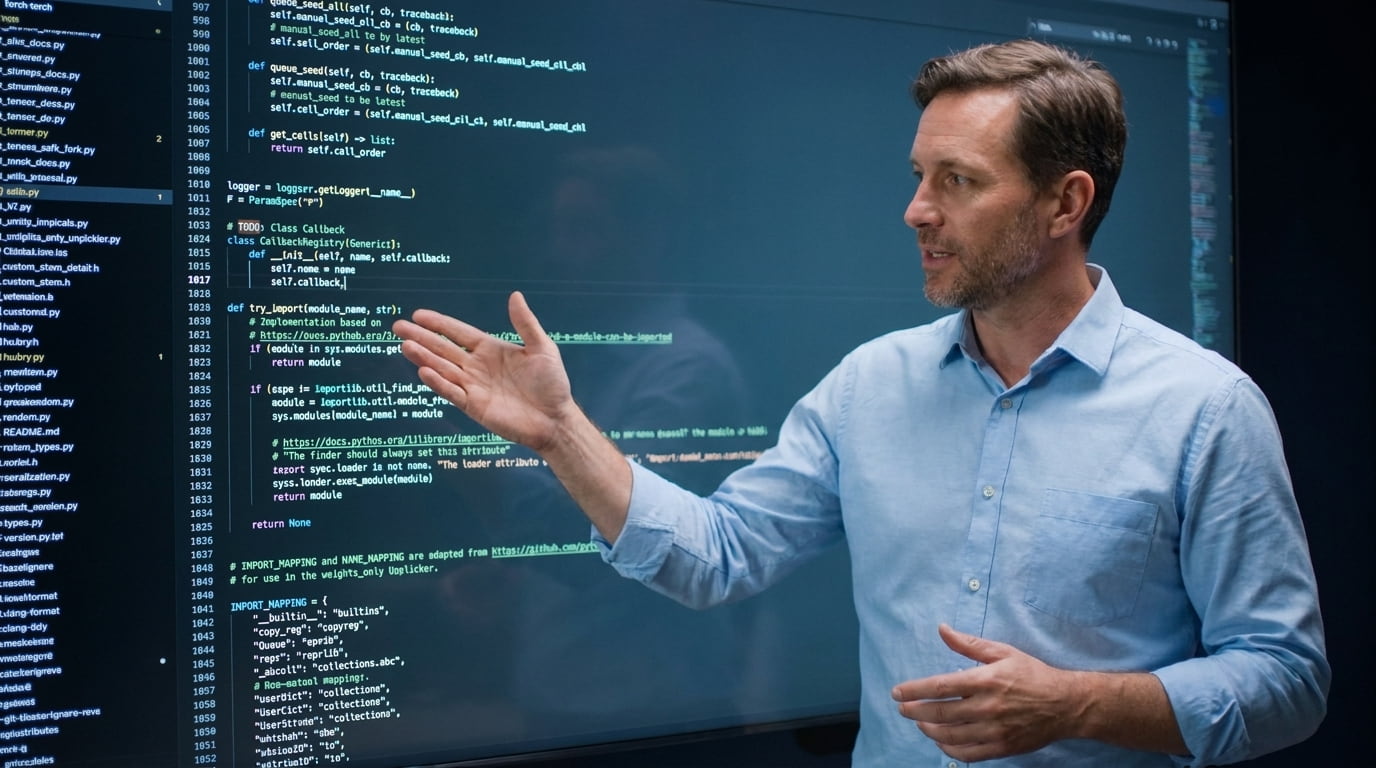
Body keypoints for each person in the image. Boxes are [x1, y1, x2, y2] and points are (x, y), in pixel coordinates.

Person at [392, 39, 1329, 767]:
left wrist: (1080, 704)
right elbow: (717, 554)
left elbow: (1286, 680)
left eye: (958, 180)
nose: (917, 210)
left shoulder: (1205, 408)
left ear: (1065, 203)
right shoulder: (869, 385)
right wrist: (561, 432)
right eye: (919, 176)